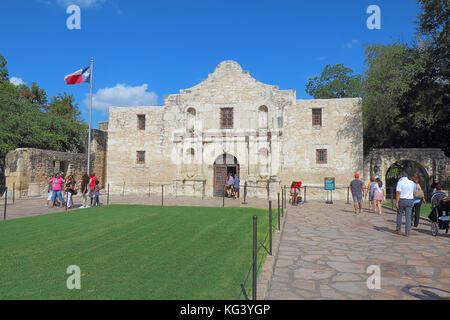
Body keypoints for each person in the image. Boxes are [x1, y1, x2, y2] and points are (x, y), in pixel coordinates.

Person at [395, 171, 415, 237]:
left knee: (399, 214)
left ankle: (398, 229)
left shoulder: (400, 183)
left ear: (401, 176)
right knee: (408, 217)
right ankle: (407, 232)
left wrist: (397, 202)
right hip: (409, 200)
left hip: (402, 200)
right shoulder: (412, 183)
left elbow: (398, 192)